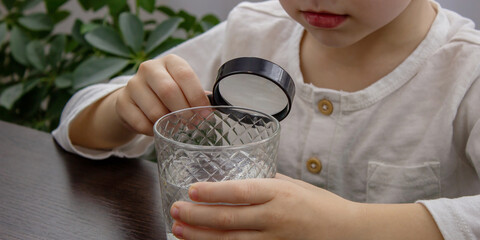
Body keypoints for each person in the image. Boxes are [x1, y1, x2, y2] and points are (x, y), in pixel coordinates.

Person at [53, 0, 480, 239]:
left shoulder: (467, 71)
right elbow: (76, 125)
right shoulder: (254, 30)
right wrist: (123, 108)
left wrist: (349, 226)